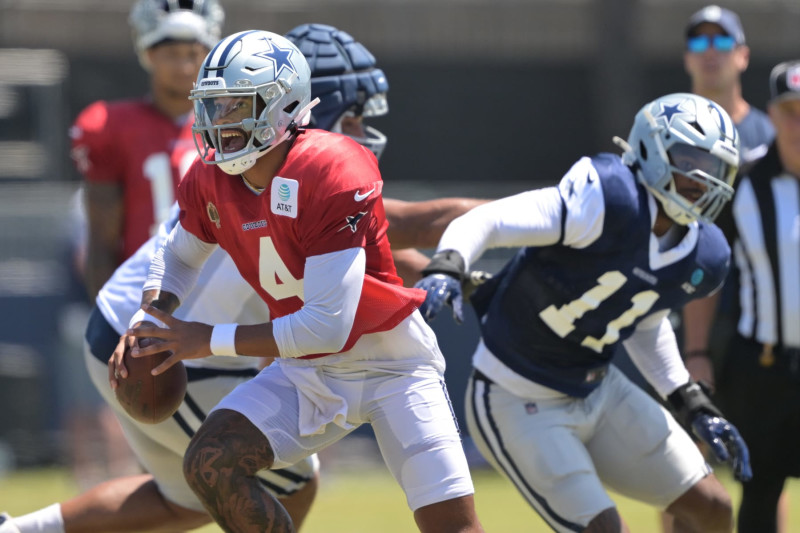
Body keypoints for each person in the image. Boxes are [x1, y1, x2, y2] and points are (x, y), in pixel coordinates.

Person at [0, 23, 487, 533]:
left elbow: (327, 327)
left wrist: (202, 339)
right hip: (306, 371)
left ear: (283, 106)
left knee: (451, 526)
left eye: (237, 105)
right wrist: (152, 313)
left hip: (388, 365)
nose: (219, 121)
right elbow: (178, 253)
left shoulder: (332, 167)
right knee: (210, 464)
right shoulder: (211, 176)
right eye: (212, 105)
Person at [415, 92, 751, 532]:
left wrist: (690, 401)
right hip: (516, 395)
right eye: (690, 159)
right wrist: (447, 264)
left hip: (599, 388)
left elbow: (645, 320)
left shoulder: (705, 253)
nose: (702, 178)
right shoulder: (608, 196)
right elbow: (488, 221)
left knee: (713, 508)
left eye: (714, 167)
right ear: (650, 149)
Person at [691, 60, 800, 533]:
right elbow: (703, 272)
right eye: (790, 112)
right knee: (759, 491)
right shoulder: (742, 181)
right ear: (771, 115)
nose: (799, 124)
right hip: (763, 365)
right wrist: (696, 353)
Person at [69, 0, 224, 300]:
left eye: (192, 53)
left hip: (226, 293)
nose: (183, 66)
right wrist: (108, 317)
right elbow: (102, 244)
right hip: (143, 291)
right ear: (148, 52)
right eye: (171, 54)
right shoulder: (108, 127)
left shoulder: (233, 124)